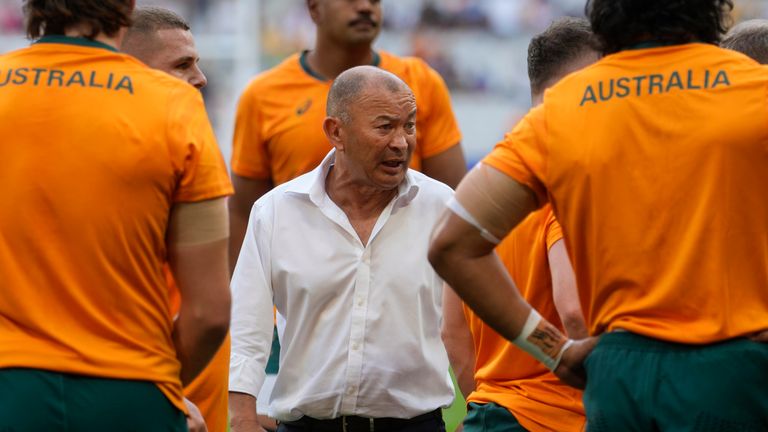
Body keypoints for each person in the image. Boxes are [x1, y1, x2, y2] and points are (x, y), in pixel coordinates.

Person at [429, 0, 768, 430]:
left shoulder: (565, 106)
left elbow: (452, 243)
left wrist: (554, 351)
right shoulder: (756, 87)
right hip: (731, 371)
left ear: (605, 17)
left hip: (618, 378)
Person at [0, 1, 232, 431]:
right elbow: (211, 312)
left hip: (10, 386)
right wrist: (164, 390)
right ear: (125, 10)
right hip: (131, 388)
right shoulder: (174, 104)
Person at [229, 66, 455, 432]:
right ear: (337, 132)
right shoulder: (275, 212)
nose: (402, 142)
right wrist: (241, 419)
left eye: (409, 125)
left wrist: (479, 409)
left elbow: (475, 326)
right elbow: (247, 328)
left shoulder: (443, 209)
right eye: (385, 127)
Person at [228, 0, 466, 273]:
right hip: (300, 292)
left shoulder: (419, 81)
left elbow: (454, 201)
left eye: (375, 0)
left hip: (402, 286)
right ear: (314, 8)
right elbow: (243, 212)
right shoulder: (262, 96)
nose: (365, 7)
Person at [441, 17, 598, 432]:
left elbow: (451, 332)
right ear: (585, 86)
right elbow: (576, 313)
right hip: (560, 418)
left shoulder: (480, 192)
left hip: (491, 414)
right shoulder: (567, 182)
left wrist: (500, 403)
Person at [121, 7, 229, 432]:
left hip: (193, 394)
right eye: (183, 65)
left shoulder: (190, 142)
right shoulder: (115, 162)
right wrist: (159, 392)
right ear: (132, 71)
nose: (201, 77)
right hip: (148, 395)